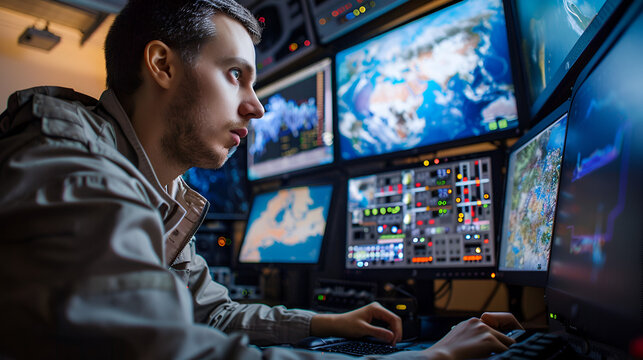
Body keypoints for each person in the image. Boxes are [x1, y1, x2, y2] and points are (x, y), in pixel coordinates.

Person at [0, 0, 522, 358]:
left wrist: (325, 324)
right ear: (161, 64)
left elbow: (212, 314)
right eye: (236, 75)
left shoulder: (160, 193)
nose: (256, 106)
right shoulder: (74, 164)